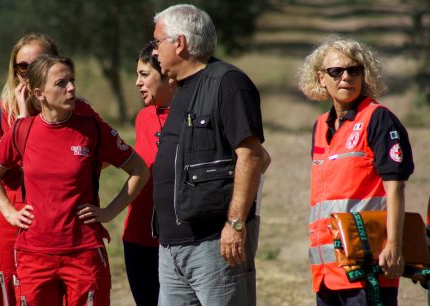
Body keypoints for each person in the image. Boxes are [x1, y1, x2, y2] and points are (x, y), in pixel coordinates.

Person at [0, 54, 149, 306]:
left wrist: (110, 211)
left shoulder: (92, 128)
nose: (71, 88)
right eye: (61, 83)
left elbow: (139, 169)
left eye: (72, 81)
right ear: (39, 94)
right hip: (33, 255)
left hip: (83, 252)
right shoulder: (22, 130)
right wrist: (8, 211)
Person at [150, 4, 271, 306]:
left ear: (180, 43)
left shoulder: (227, 83)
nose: (154, 51)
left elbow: (252, 156)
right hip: (172, 247)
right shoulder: (182, 88)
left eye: (157, 42)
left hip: (214, 245)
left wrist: (235, 225)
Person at [0, 33, 97, 306]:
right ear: (14, 70)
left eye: (39, 63)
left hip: (68, 224)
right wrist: (21, 121)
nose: (29, 73)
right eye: (23, 67)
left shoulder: (79, 111)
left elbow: (96, 158)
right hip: (16, 219)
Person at [298, 35, 414, 306]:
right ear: (321, 77)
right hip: (327, 273)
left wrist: (394, 246)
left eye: (354, 70)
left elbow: (395, 187)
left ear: (365, 75)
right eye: (336, 71)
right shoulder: (319, 126)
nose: (346, 77)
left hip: (367, 267)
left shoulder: (378, 119)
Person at [122, 43, 176, 306]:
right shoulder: (143, 117)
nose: (137, 83)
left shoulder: (195, 116)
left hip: (178, 242)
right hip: (138, 238)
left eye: (144, 75)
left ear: (167, 74)